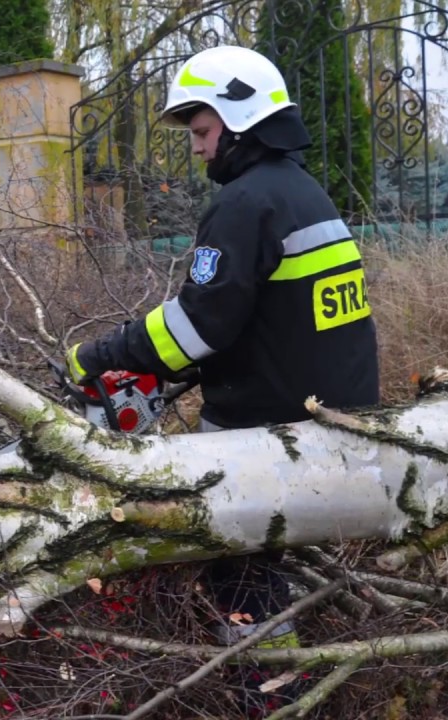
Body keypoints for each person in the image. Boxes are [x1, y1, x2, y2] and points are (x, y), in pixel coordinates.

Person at [64, 45, 379, 714]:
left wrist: (102, 355)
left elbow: (199, 328)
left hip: (271, 437)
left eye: (203, 132)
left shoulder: (246, 204)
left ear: (241, 120)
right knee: (259, 571)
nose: (200, 151)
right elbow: (268, 319)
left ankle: (273, 695)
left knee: (240, 573)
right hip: (337, 425)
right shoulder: (303, 193)